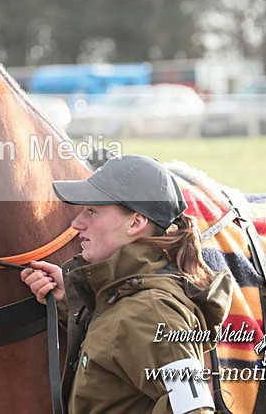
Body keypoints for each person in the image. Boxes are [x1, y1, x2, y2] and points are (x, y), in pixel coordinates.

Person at [21, 155, 233, 414]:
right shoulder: (123, 298)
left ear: (135, 223)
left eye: (92, 211)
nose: (77, 224)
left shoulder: (153, 313)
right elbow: (117, 340)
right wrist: (70, 301)